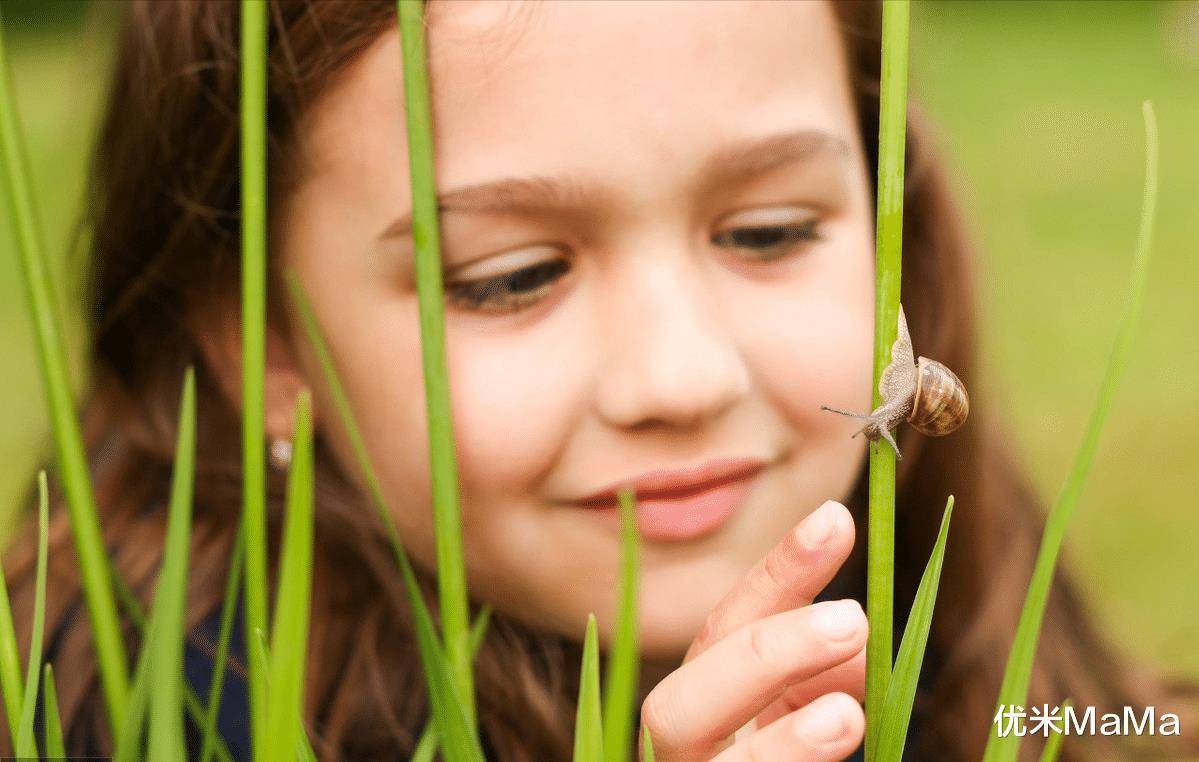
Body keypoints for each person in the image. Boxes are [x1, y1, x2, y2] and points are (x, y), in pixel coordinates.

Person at [2, 1, 1194, 759]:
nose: (679, 376)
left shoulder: (966, 610)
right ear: (260, 350)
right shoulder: (159, 709)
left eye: (771, 232)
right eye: (511, 277)